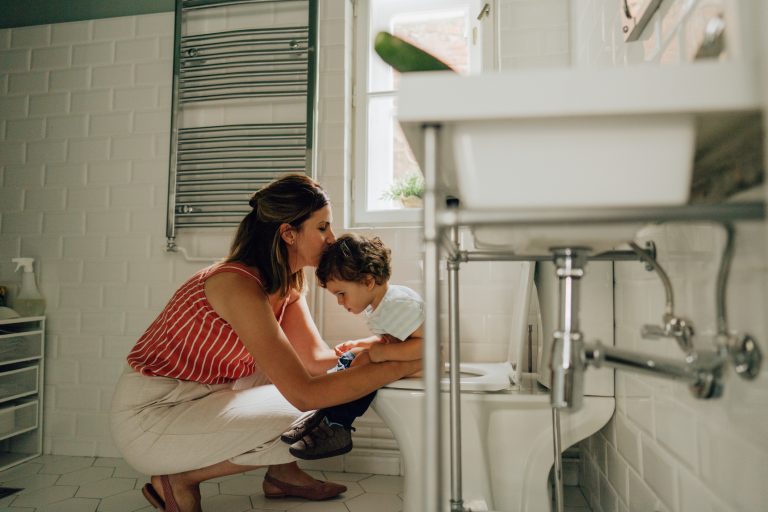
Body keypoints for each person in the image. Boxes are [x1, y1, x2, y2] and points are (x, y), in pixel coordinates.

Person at [110, 175, 421, 512]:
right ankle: (180, 479)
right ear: (289, 233)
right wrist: (403, 364)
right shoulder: (237, 285)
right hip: (154, 414)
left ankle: (282, 475)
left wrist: (381, 347)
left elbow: (316, 361)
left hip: (206, 396)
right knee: (318, 408)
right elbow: (305, 394)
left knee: (311, 382)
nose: (331, 239)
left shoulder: (286, 285)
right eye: (322, 227)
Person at [280, 234, 423, 460]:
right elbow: (396, 338)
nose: (339, 301)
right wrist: (363, 344)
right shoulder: (383, 303)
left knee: (363, 364)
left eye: (341, 294)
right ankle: (327, 414)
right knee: (349, 358)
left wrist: (382, 352)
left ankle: (338, 424)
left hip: (424, 365)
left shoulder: (398, 304)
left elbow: (428, 347)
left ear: (367, 281)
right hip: (407, 358)